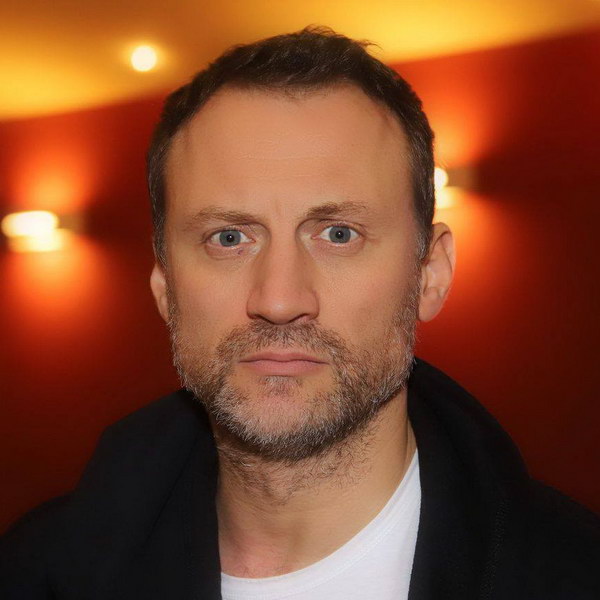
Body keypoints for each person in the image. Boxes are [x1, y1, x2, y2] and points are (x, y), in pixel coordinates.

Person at [1, 26, 598, 600]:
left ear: (430, 275)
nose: (280, 300)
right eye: (229, 238)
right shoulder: (33, 573)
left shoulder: (574, 573)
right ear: (165, 286)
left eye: (338, 233)